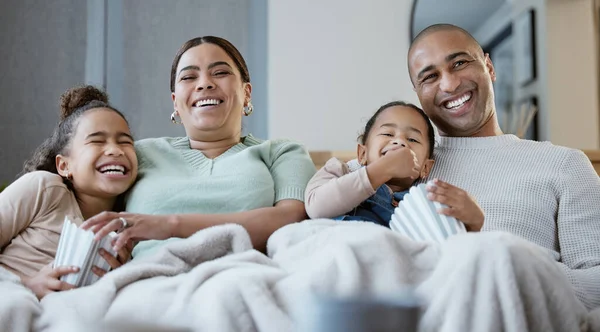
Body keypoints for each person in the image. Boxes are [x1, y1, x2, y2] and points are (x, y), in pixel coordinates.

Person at [407, 24, 600, 310]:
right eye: (430, 77)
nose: (448, 84)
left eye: (459, 63)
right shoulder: (402, 166)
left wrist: (510, 272)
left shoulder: (564, 164)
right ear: (419, 95)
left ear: (490, 67)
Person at [81, 36, 316, 258]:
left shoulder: (283, 153)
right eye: (189, 77)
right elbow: (81, 202)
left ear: (246, 94)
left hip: (242, 275)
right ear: (175, 102)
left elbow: (289, 219)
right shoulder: (139, 153)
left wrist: (170, 225)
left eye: (220, 72)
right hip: (148, 279)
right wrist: (44, 272)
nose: (204, 84)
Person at [0, 85, 137, 299]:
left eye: (125, 142)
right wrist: (26, 285)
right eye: (97, 141)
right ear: (64, 166)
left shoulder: (127, 227)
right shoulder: (45, 189)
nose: (115, 149)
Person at [306, 101, 447, 228]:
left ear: (425, 168)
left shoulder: (422, 202)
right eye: (387, 134)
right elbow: (316, 208)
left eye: (412, 139)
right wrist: (383, 169)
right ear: (362, 154)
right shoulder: (340, 170)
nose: (399, 142)